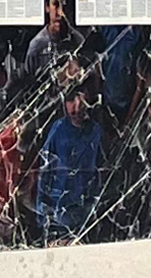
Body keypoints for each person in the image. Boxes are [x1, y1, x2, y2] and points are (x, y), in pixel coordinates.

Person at [35, 71, 105, 241]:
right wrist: (43, 211)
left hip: (83, 212)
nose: (77, 107)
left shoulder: (96, 131)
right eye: (71, 101)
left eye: (81, 100)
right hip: (58, 211)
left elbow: (101, 171)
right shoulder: (58, 129)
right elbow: (45, 171)